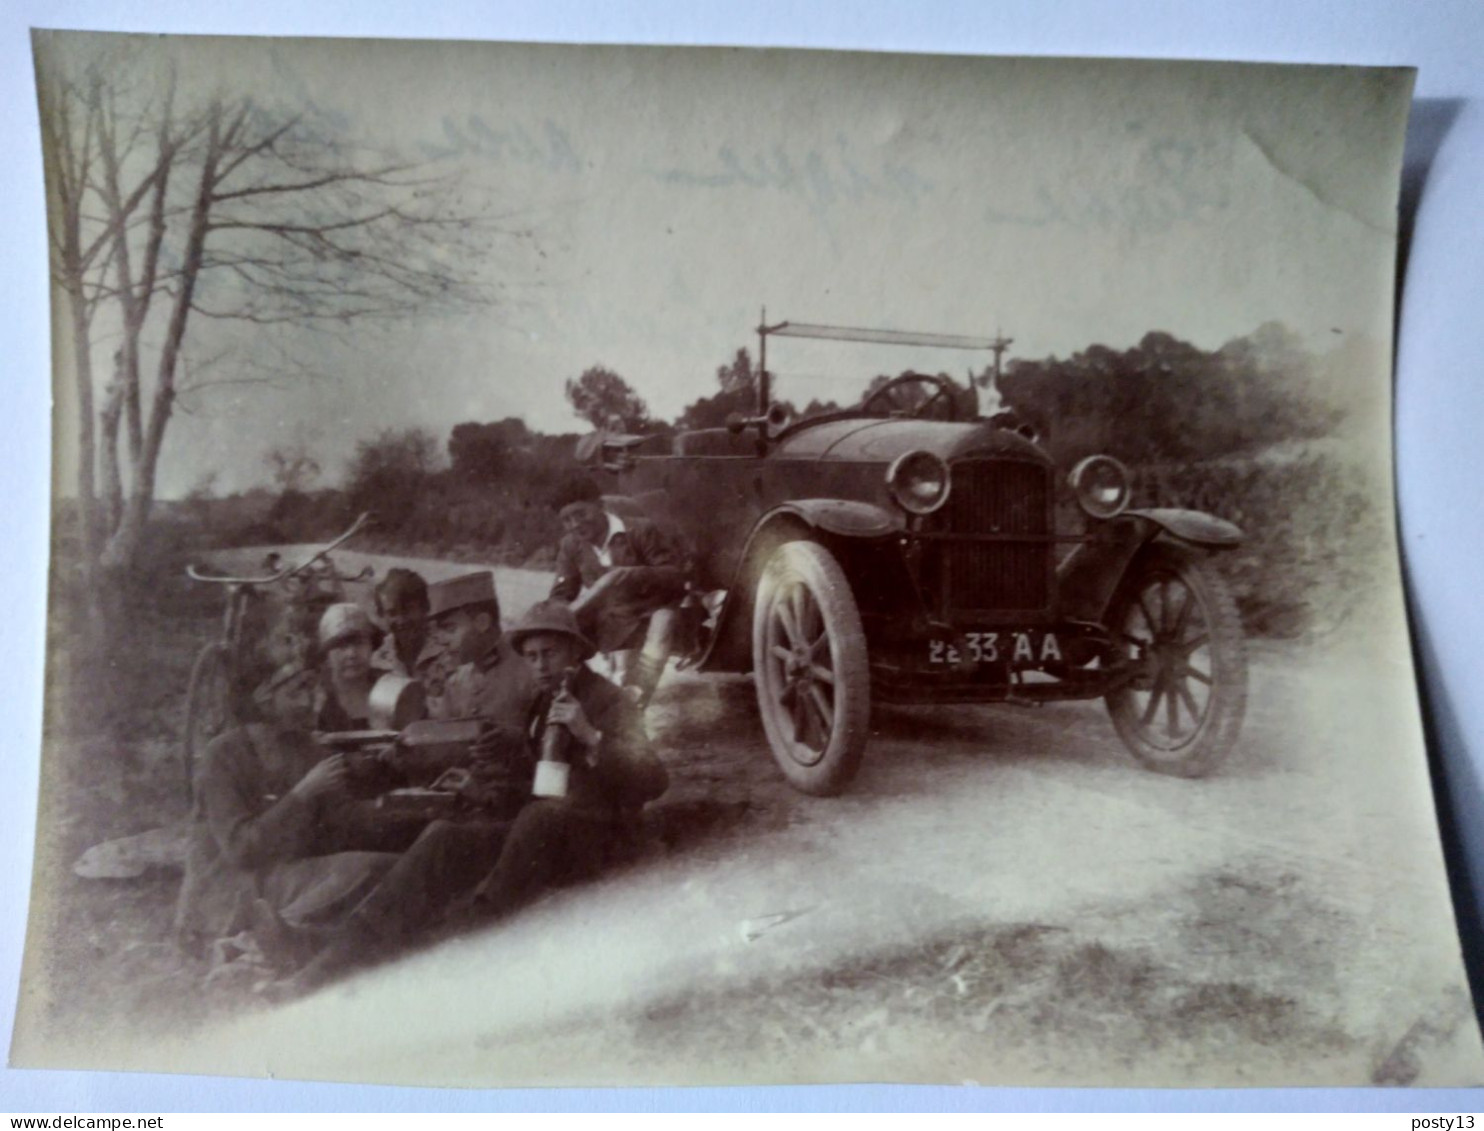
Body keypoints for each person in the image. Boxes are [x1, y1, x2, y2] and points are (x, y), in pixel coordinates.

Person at [268, 599, 668, 997]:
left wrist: (591, 735)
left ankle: (465, 937)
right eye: (531, 657)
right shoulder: (543, 703)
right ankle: (337, 952)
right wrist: (483, 784)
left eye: (550, 654)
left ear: (576, 652)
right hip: (541, 836)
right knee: (444, 835)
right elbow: (537, 781)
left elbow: (653, 780)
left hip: (597, 837)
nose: (541, 666)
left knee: (540, 817)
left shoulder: (609, 701)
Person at [174, 662, 401, 962]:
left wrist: (401, 797)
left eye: (312, 688)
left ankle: (276, 936)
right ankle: (252, 941)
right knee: (366, 874)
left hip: (280, 880)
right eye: (298, 691)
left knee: (389, 867)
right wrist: (304, 793)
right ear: (265, 699)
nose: (311, 701)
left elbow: (345, 824)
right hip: (224, 894)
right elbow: (241, 849)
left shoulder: (305, 746)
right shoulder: (223, 755)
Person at [550, 481, 688, 708]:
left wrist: (631, 575)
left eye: (581, 514)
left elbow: (675, 576)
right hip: (613, 622)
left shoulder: (640, 530)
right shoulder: (571, 545)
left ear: (599, 505)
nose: (576, 524)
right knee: (613, 673)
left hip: (650, 614)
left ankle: (636, 703)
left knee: (664, 622)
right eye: (567, 520)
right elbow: (562, 593)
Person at [314, 602, 382, 732]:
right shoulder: (314, 701)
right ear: (327, 654)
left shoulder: (391, 691)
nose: (352, 654)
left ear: (372, 646)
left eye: (359, 643)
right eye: (341, 646)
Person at [371, 568, 432, 679]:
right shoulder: (378, 662)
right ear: (382, 615)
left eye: (408, 610)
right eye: (392, 613)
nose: (401, 620)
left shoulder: (449, 651)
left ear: (425, 607)